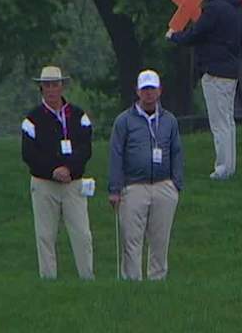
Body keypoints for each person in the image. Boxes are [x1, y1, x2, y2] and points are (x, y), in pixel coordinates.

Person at [165, 0, 242, 180]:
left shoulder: (214, 8)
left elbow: (195, 34)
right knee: (227, 121)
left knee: (219, 123)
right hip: (231, 69)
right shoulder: (237, 6)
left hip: (214, 70)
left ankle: (223, 169)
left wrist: (174, 36)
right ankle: (229, 167)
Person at [107, 70, 184, 281]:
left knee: (160, 240)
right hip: (134, 186)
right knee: (131, 240)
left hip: (163, 185)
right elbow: (116, 154)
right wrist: (115, 189)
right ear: (137, 91)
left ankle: (157, 280)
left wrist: (176, 184)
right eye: (145, 89)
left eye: (152, 89)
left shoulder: (169, 120)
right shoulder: (124, 121)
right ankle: (132, 281)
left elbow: (177, 152)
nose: (148, 93)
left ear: (159, 91)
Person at [20, 65, 95, 280]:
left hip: (73, 183)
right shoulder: (32, 119)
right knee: (45, 236)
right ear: (41, 89)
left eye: (55, 85)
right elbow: (29, 154)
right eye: (47, 86)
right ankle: (48, 279)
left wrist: (68, 168)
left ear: (62, 87)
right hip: (44, 184)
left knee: (82, 234)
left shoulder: (78, 115)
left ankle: (87, 277)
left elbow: (85, 148)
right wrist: (53, 170)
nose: (52, 90)